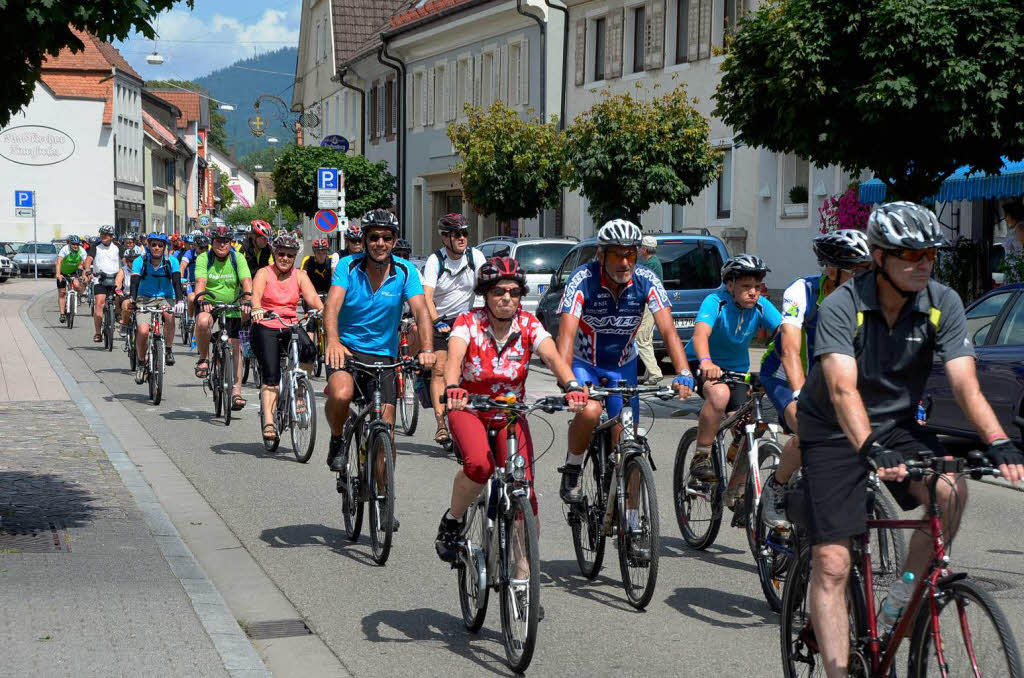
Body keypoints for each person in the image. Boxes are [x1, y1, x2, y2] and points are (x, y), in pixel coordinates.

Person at [798, 201, 1024, 678]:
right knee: (834, 561)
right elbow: (841, 388)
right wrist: (869, 449)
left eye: (930, 255)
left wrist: (999, 439)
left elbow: (965, 385)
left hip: (897, 424)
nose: (923, 264)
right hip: (834, 429)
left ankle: (902, 596)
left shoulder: (944, 302)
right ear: (879, 258)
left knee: (951, 491)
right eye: (910, 255)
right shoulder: (843, 304)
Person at [434, 257, 588, 562]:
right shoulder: (468, 322)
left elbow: (553, 357)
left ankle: (523, 581)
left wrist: (570, 385)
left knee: (525, 491)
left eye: (514, 292)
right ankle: (453, 519)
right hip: (469, 407)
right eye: (499, 292)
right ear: (485, 294)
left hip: (510, 413)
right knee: (479, 465)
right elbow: (453, 360)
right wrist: (453, 387)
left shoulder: (529, 324)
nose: (507, 298)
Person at [555, 219, 694, 525]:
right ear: (601, 256)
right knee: (589, 412)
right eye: (617, 255)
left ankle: (632, 523)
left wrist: (683, 371)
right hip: (584, 365)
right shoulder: (582, 279)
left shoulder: (646, 280)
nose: (624, 262)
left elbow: (669, 331)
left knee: (629, 443)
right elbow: (564, 338)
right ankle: (573, 468)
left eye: (630, 254)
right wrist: (569, 383)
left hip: (623, 367)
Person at [323, 209, 436, 533]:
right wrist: (332, 341)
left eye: (387, 237)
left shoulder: (405, 271)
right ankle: (336, 440)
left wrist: (427, 350)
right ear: (365, 240)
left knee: (385, 425)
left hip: (384, 357)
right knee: (342, 393)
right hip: (346, 349)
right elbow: (332, 306)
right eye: (374, 237)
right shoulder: (348, 266)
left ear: (394, 241)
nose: (380, 243)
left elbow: (420, 311)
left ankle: (384, 494)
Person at [757, 230, 872, 528]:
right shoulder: (802, 291)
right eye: (855, 271)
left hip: (830, 378)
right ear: (831, 270)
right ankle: (777, 488)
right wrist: (799, 395)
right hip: (785, 375)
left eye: (866, 270)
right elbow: (791, 350)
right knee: (809, 430)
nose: (863, 277)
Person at [685, 253, 782, 508]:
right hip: (702, 362)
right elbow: (700, 334)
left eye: (757, 287)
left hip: (738, 371)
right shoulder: (715, 301)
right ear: (730, 285)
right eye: (745, 287)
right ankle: (701, 458)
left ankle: (735, 489)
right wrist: (706, 362)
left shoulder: (761, 305)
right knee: (719, 396)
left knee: (752, 421)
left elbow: (785, 332)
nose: (753, 293)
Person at [250, 233, 324, 442]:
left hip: (290, 323)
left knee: (309, 350)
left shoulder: (300, 275)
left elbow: (311, 297)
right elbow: (256, 295)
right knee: (272, 376)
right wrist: (257, 308)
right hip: (266, 324)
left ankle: (299, 392)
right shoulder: (264, 273)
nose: (285, 258)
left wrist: (324, 312)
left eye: (290, 256)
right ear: (274, 254)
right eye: (281, 254)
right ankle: (269, 421)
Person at [422, 213, 487, 446]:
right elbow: (427, 297)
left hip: (467, 320)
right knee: (439, 369)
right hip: (440, 319)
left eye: (465, 233)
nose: (462, 238)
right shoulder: (435, 261)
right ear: (445, 238)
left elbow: (487, 284)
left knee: (473, 369)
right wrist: (437, 320)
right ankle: (441, 424)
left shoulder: (475, 256)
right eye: (457, 234)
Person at [193, 225, 253, 411]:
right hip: (210, 303)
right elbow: (200, 281)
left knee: (236, 347)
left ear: (231, 242)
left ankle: (236, 391)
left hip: (233, 304)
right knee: (203, 322)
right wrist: (202, 299)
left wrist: (248, 299)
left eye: (226, 241)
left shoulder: (237, 258)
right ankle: (204, 358)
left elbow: (246, 281)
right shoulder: (205, 258)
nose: (222, 244)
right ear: (212, 242)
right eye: (218, 241)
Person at [128, 233, 182, 384]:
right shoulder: (141, 261)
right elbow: (135, 281)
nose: (157, 248)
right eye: (153, 245)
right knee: (144, 331)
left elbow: (177, 281)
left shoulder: (172, 261)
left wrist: (180, 301)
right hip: (144, 298)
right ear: (149, 246)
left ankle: (169, 349)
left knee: (169, 316)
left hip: (166, 297)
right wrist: (132, 299)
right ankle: (140, 362)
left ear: (165, 247)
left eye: (160, 245)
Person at [636, 235, 665, 384]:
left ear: (645, 249)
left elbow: (641, 284)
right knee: (647, 339)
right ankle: (649, 374)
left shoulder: (650, 265)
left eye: (640, 247)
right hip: (651, 304)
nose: (639, 250)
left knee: (641, 338)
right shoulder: (654, 263)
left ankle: (655, 373)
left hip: (648, 304)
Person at [85, 225, 122, 343]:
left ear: (111, 236)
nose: (102, 237)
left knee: (119, 298)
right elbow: (89, 260)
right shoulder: (95, 246)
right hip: (100, 278)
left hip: (115, 278)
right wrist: (87, 270)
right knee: (99, 303)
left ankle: (117, 314)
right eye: (101, 234)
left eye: (105, 235)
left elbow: (126, 260)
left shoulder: (117, 247)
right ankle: (97, 333)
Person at [55, 235, 87, 323]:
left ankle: (75, 299)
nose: (75, 246)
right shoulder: (65, 249)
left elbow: (85, 264)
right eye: (73, 244)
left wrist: (84, 274)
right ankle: (62, 314)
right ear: (70, 244)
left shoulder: (82, 251)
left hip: (73, 272)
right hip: (62, 272)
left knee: (77, 285)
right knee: (62, 292)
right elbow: (58, 262)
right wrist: (58, 274)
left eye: (77, 244)